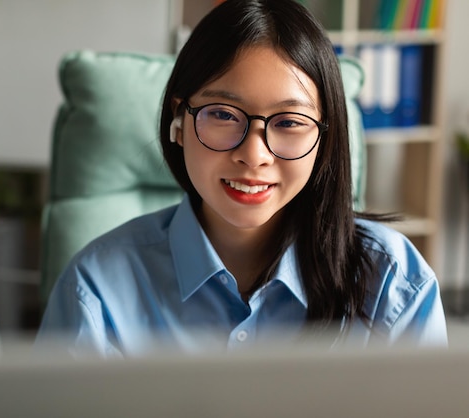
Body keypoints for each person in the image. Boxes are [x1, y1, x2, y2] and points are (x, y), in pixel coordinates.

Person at [36, 0, 447, 357]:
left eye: (288, 122)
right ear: (179, 119)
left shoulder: (394, 282)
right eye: (223, 115)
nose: (254, 155)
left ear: (326, 136)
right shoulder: (97, 288)